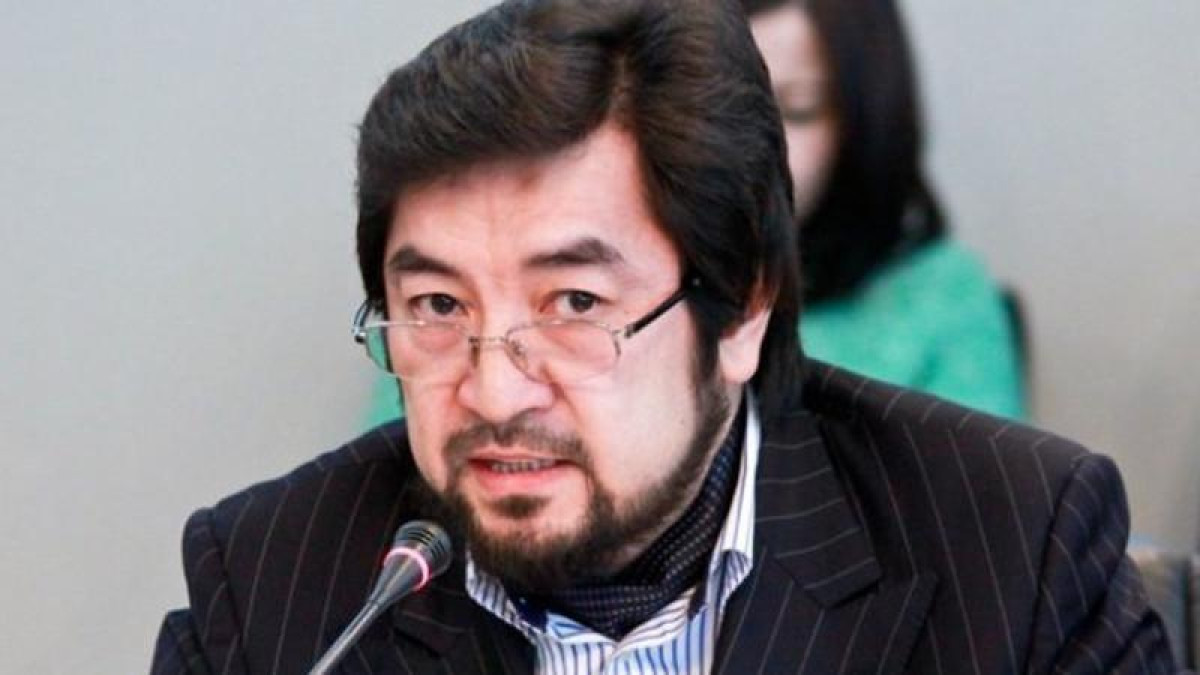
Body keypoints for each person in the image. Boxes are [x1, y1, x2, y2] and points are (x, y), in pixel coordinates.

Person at [151, 1, 1174, 673]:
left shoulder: (1014, 552)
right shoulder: (271, 591)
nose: (496, 393)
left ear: (743, 308)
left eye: (574, 304)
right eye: (440, 308)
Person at [743, 0, 1027, 420]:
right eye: (715, 109)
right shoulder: (653, 271)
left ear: (867, 117)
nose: (750, 144)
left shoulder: (944, 300)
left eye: (798, 109)